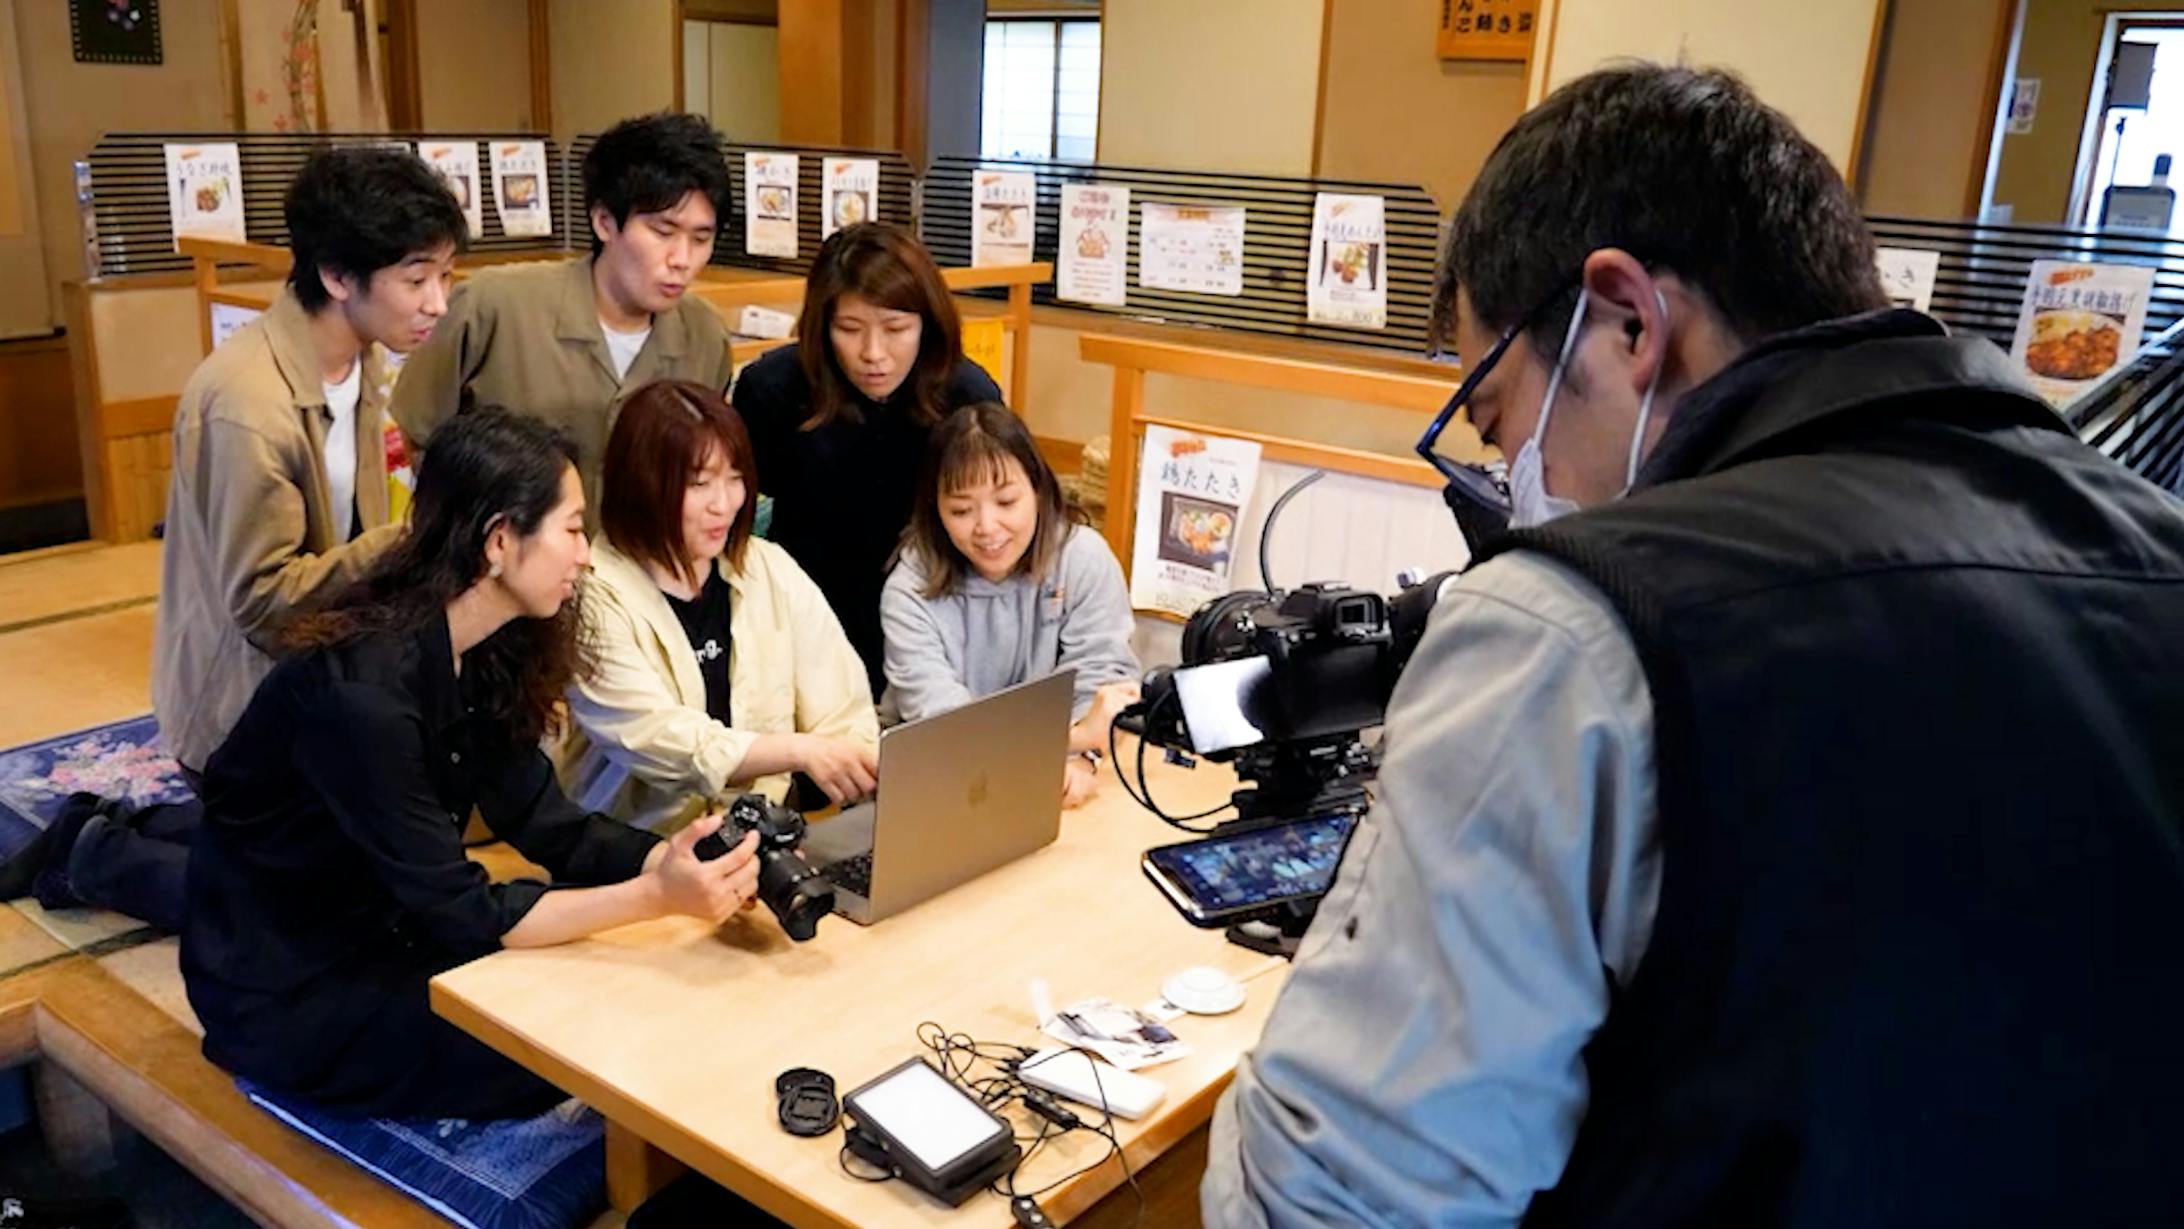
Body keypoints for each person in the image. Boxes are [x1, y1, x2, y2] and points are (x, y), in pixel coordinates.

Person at [1204, 64, 2184, 1227]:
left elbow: (1339, 1187)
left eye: (1499, 418)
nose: (1517, 481)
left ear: (1626, 320)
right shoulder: (2154, 549)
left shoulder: (1572, 630)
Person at [180, 410, 763, 1120]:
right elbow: (466, 911)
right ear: (498, 541)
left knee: (619, 997)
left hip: (393, 922)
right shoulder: (364, 698)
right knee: (561, 1055)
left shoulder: (487, 643)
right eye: (573, 528)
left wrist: (672, 858)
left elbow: (552, 828)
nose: (585, 554)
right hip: (289, 981)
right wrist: (655, 897)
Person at [152, 145, 465, 779]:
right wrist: (411, 541)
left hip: (323, 675)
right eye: (415, 280)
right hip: (240, 711)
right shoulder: (246, 401)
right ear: (337, 277)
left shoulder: (365, 359)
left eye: (446, 276)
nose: (437, 301)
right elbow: (263, 604)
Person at [560, 379, 879, 831]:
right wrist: (799, 750)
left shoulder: (768, 568)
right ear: (642, 483)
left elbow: (843, 710)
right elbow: (658, 739)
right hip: (633, 854)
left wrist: (855, 760)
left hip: (761, 847)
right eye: (699, 483)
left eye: (735, 478)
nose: (724, 504)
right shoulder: (591, 592)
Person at [391, 111, 734, 518]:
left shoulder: (706, 337)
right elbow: (416, 434)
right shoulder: (493, 306)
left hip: (633, 571)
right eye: (663, 232)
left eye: (701, 238)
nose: (682, 259)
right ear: (605, 222)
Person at [732, 222, 1003, 694]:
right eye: (849, 329)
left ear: (928, 323)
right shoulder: (772, 390)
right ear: (822, 326)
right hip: (804, 618)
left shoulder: (967, 397)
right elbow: (734, 510)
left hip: (931, 617)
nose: (873, 354)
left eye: (896, 328)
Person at [880, 402, 1138, 809]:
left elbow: (1102, 676)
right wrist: (1072, 739)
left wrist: (1082, 757)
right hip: (939, 783)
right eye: (962, 510)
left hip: (1061, 774)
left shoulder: (1082, 558)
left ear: (1037, 489)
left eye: (1006, 502)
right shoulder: (911, 587)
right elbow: (944, 724)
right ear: (936, 511)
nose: (986, 527)